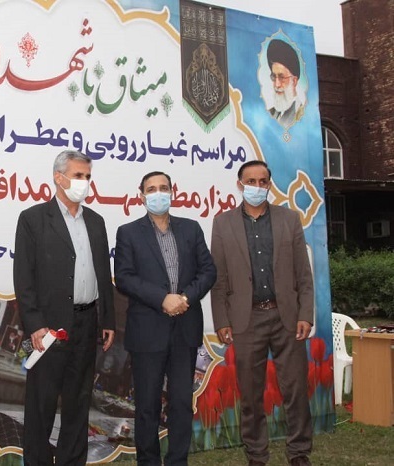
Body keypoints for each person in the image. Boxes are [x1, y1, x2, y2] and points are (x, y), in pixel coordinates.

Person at [13, 149, 116, 466]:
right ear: (59, 178)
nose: (84, 182)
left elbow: (103, 274)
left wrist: (108, 320)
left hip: (87, 323)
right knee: (41, 404)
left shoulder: (96, 221)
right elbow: (24, 277)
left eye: (87, 176)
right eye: (77, 175)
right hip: (49, 328)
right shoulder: (33, 219)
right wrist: (34, 324)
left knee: (78, 402)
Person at [211, 160, 314, 466]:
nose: (257, 187)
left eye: (262, 181)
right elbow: (219, 279)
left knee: (296, 390)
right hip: (246, 320)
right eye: (251, 181)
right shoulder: (223, 223)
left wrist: (305, 314)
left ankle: (299, 452)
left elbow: (303, 274)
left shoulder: (289, 219)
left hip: (287, 317)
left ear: (269, 184)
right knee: (251, 394)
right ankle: (256, 454)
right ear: (240, 185)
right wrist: (222, 320)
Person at [114, 171, 216, 466]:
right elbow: (124, 277)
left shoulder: (191, 229)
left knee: (182, 403)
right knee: (146, 405)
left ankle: (177, 460)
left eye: (163, 188)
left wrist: (184, 298)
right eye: (151, 189)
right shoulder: (128, 233)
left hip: (185, 329)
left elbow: (208, 271)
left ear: (173, 192)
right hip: (147, 332)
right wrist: (162, 299)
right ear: (141, 195)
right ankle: (148, 461)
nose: (158, 193)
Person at [265, 39, 305, 128]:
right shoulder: (270, 113)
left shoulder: (301, 115)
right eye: (274, 76)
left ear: (294, 81)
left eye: (282, 77)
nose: (277, 84)